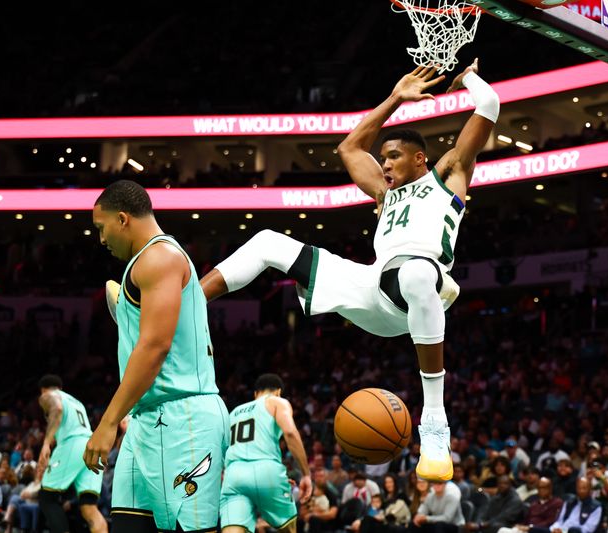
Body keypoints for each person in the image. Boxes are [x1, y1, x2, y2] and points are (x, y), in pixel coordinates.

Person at [199, 61, 499, 483]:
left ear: (419, 158)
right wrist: (395, 98)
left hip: (417, 291)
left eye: (393, 156)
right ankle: (183, 301)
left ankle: (434, 422)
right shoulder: (383, 191)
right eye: (384, 159)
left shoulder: (448, 174)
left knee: (414, 273)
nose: (386, 164)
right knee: (269, 241)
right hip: (373, 288)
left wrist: (465, 78)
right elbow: (349, 149)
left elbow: (490, 102)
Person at [86, 180, 229, 533]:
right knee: (128, 525)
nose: (101, 240)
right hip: (147, 420)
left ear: (122, 219)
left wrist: (107, 423)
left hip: (185, 420)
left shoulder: (159, 257)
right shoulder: (143, 263)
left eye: (102, 229)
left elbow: (154, 348)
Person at [220, 374, 312, 533]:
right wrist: (306, 474)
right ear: (278, 392)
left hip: (233, 475)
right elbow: (290, 432)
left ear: (255, 393)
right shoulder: (277, 402)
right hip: (267, 470)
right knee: (289, 529)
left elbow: (223, 450)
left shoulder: (233, 412)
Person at [36, 375, 106, 533]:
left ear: (43, 390)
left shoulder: (48, 395)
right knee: (89, 507)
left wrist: (46, 443)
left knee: (47, 498)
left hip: (73, 445)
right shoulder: (77, 402)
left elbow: (57, 408)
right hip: (92, 446)